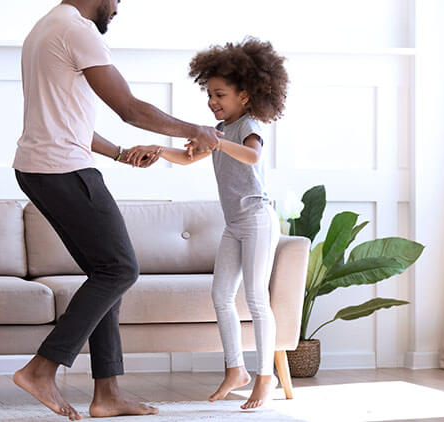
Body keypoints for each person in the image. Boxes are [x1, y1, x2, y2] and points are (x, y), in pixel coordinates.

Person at [10, 0, 221, 420]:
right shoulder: (78, 31)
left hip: (39, 168)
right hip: (64, 170)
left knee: (107, 272)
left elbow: (67, 118)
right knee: (120, 270)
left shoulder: (45, 28)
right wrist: (194, 129)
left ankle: (107, 394)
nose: (118, 8)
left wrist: (120, 154)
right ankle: (41, 369)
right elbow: (129, 108)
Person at [134, 37, 289, 409]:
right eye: (209, 95)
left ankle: (265, 378)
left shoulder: (248, 126)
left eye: (220, 95)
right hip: (234, 223)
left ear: (245, 96)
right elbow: (188, 158)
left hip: (256, 219)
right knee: (221, 295)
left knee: (255, 298)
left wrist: (216, 143)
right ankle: (236, 370)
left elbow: (251, 157)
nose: (212, 102)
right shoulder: (217, 133)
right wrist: (158, 150)